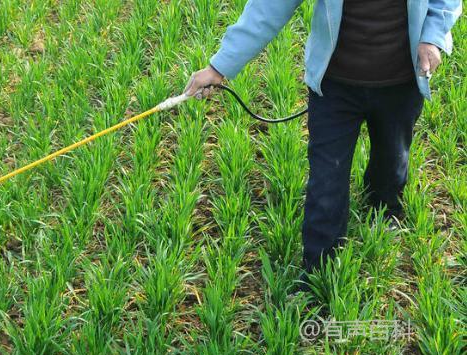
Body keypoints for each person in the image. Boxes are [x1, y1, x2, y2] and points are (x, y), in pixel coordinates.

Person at [185, 0, 462, 284]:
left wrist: (432, 38)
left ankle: (383, 206)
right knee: (326, 179)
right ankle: (318, 272)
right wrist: (220, 67)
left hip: (402, 82)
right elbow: (268, 8)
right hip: (335, 85)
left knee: (392, 158)